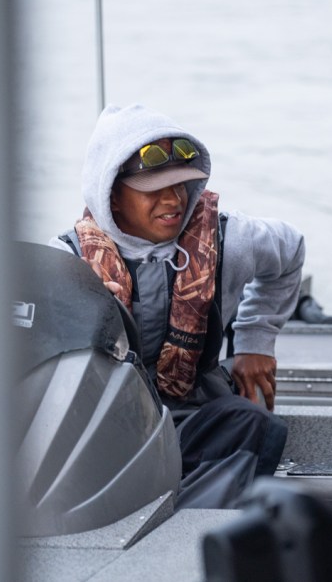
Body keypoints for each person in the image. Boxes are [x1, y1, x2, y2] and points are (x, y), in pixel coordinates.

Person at [50, 103, 305, 508]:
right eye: (153, 189)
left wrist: (256, 341)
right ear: (112, 195)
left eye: (181, 184)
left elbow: (290, 251)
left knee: (253, 423)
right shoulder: (67, 261)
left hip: (194, 412)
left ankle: (187, 523)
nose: (173, 200)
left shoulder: (232, 240)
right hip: (105, 426)